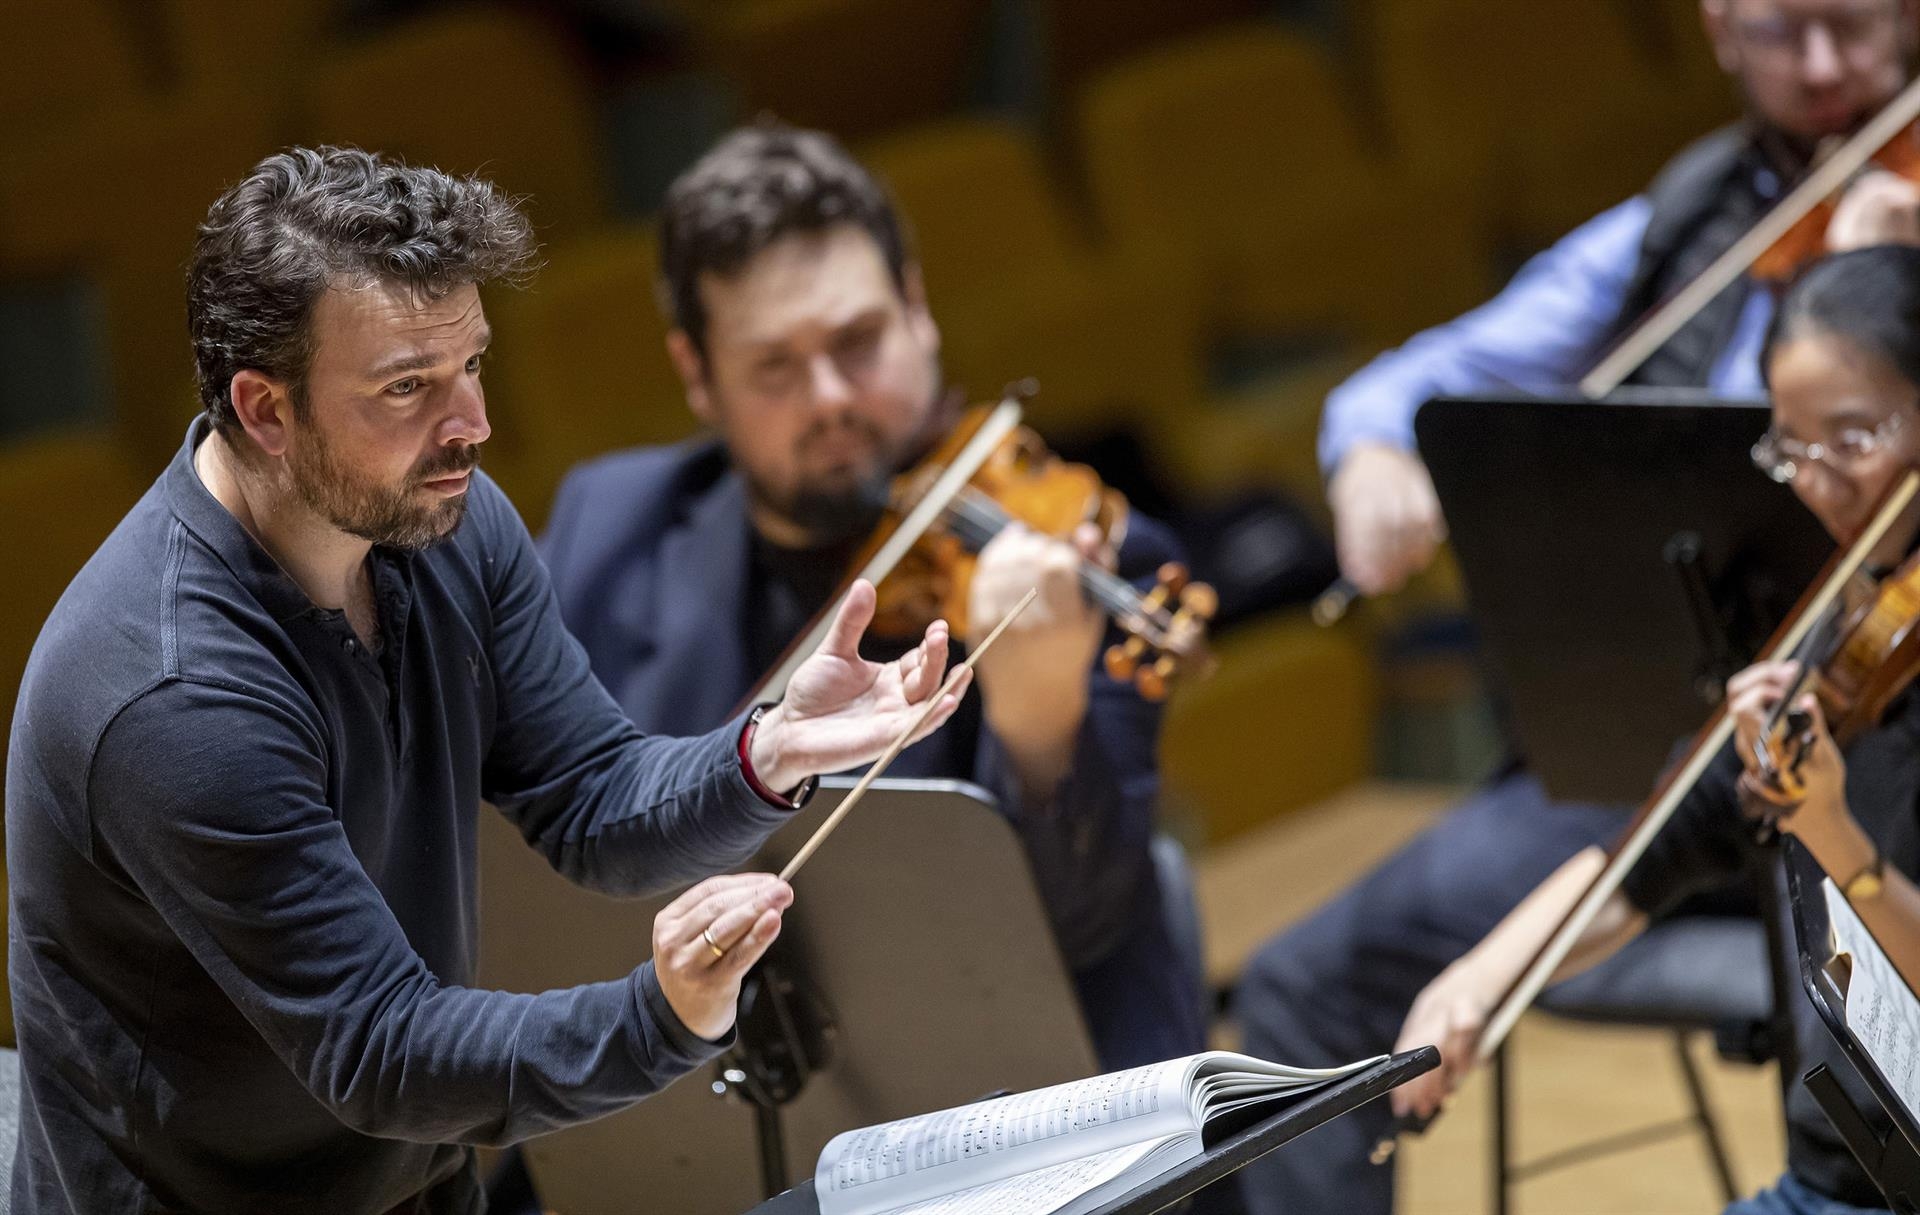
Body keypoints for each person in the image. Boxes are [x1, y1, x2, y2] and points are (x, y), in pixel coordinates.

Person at [3, 146, 969, 1214]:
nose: (470, 424)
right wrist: (662, 1015)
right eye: (407, 387)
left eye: (472, 366)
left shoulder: (438, 519)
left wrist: (767, 750)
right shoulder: (172, 696)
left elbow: (592, 797)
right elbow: (382, 1052)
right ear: (266, 412)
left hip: (416, 1183)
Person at [1237, 2, 1920, 1211]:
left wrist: (1878, 278)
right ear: (1717, 27)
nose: (1822, 68)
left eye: (1854, 24)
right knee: (1302, 982)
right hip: (1698, 756)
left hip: (1854, 825)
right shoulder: (1698, 216)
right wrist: (1374, 448)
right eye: (1781, 28)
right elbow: (1436, 373)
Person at [538, 124, 1208, 1073]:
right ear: (698, 375)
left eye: (859, 341)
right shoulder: (612, 529)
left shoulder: (1081, 553)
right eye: (774, 366)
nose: (830, 400)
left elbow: (1087, 930)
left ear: (917, 307)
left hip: (999, 1096)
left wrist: (1039, 713)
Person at [1395, 242, 1920, 1215]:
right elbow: (1653, 850)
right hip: (1843, 1181)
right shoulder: (1847, 635)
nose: (1817, 483)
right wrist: (1477, 981)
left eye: (1852, 439)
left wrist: (1835, 840)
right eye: (1790, 448)